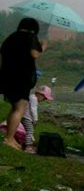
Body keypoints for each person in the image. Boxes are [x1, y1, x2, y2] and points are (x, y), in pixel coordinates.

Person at [0, 18, 47, 151]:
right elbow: (34, 54)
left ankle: (10, 137)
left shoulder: (11, 38)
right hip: (22, 78)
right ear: (34, 28)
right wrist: (43, 46)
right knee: (20, 108)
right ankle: (9, 139)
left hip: (7, 76)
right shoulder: (31, 37)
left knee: (14, 107)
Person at [21, 85, 54, 153]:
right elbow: (33, 109)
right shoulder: (34, 99)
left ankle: (26, 143)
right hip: (27, 118)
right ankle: (28, 146)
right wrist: (35, 119)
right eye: (44, 98)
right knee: (29, 131)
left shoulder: (32, 97)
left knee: (29, 131)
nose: (44, 100)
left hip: (26, 117)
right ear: (39, 94)